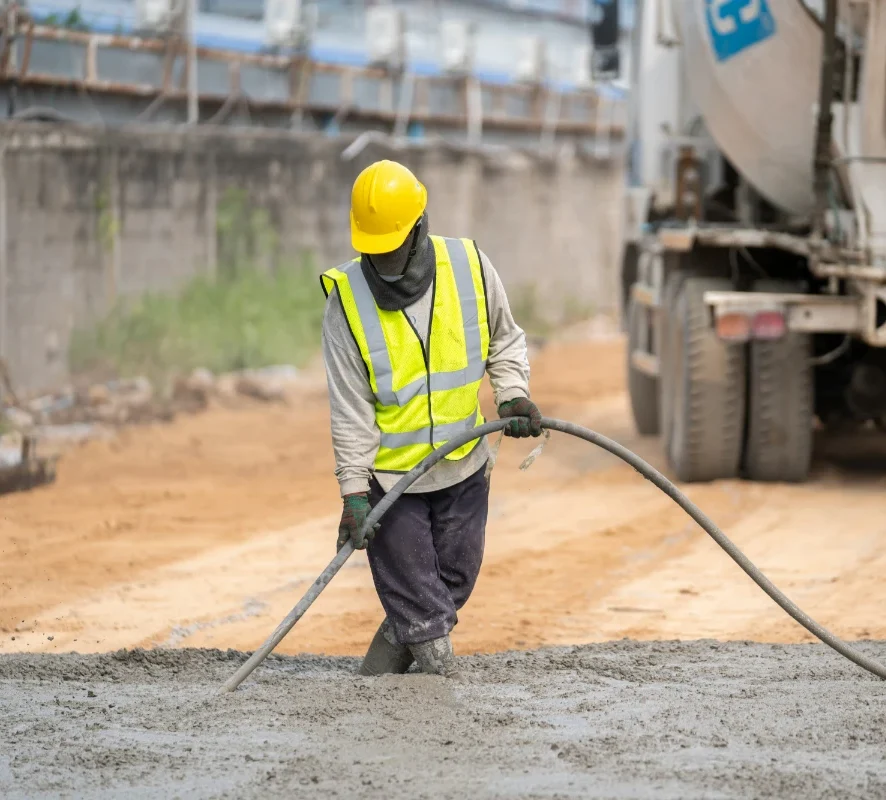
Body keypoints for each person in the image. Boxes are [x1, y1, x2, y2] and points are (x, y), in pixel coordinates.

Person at [320, 159, 543, 679]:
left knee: (452, 584)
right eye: (374, 250)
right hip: (392, 483)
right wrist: (354, 492)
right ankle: (438, 692)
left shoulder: (470, 266)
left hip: (463, 465)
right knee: (422, 608)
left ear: (419, 226)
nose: (384, 260)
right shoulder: (347, 303)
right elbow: (349, 407)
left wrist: (510, 395)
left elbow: (504, 339)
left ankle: (374, 682)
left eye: (393, 247)